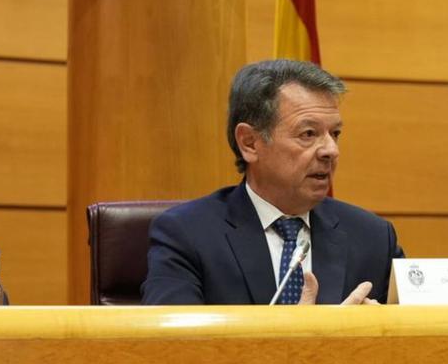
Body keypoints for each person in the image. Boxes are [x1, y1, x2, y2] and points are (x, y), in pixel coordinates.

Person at [142, 59, 405, 305]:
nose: (330, 150)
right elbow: (171, 348)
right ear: (249, 142)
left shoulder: (373, 238)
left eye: (334, 133)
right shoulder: (187, 235)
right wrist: (301, 341)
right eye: (308, 133)